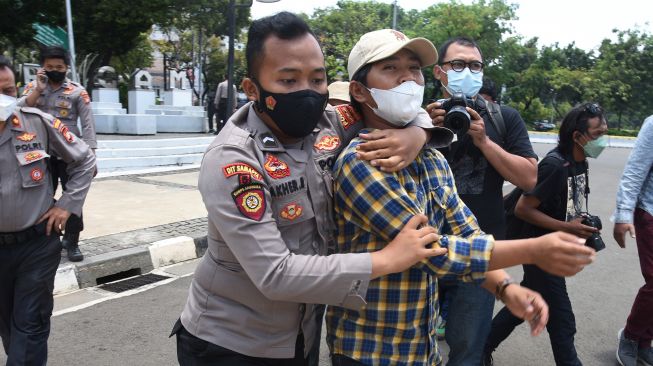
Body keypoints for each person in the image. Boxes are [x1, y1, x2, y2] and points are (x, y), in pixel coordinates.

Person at [172, 12, 449, 366]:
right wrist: (386, 260)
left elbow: (401, 107)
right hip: (231, 344)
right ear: (252, 89)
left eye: (317, 79)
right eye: (288, 81)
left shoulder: (329, 124)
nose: (307, 91)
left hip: (301, 335)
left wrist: (416, 135)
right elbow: (275, 274)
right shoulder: (234, 161)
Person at [325, 28, 596, 366]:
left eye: (413, 68)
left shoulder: (432, 156)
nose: (407, 78)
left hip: (418, 348)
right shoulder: (361, 161)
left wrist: (505, 288)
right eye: (391, 69)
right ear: (359, 91)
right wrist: (534, 249)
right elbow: (433, 251)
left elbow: (466, 231)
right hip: (370, 350)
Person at [426, 36, 539, 365]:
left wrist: (485, 141)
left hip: (481, 253)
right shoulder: (418, 118)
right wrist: (422, 131)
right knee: (412, 345)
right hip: (424, 249)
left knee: (468, 349)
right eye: (457, 65)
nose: (467, 72)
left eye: (475, 66)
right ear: (439, 73)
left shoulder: (504, 117)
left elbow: (529, 178)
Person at [484, 103, 608, 366]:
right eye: (597, 134)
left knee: (524, 305)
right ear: (577, 136)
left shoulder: (579, 161)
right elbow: (522, 209)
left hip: (554, 245)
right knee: (563, 320)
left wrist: (579, 225)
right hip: (539, 247)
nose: (602, 140)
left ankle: (482, 348)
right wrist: (568, 227)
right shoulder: (555, 165)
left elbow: (566, 204)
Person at [0, 55, 96, 365]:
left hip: (36, 243)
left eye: (9, 90)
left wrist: (66, 206)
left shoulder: (36, 121)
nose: (5, 99)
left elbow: (84, 160)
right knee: (9, 328)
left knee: (29, 323)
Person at [19, 45, 97, 262]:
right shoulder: (33, 88)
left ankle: (72, 242)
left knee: (73, 197)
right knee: (40, 197)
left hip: (70, 155)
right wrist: (38, 89)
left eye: (59, 67)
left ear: (66, 68)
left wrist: (92, 155)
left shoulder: (77, 92)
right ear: (42, 68)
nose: (55, 70)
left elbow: (88, 125)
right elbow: (19, 109)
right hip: (39, 154)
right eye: (49, 66)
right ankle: (48, 239)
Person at [613, 115, 653, 366]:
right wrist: (623, 214)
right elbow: (634, 171)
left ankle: (644, 340)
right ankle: (629, 336)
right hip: (650, 211)